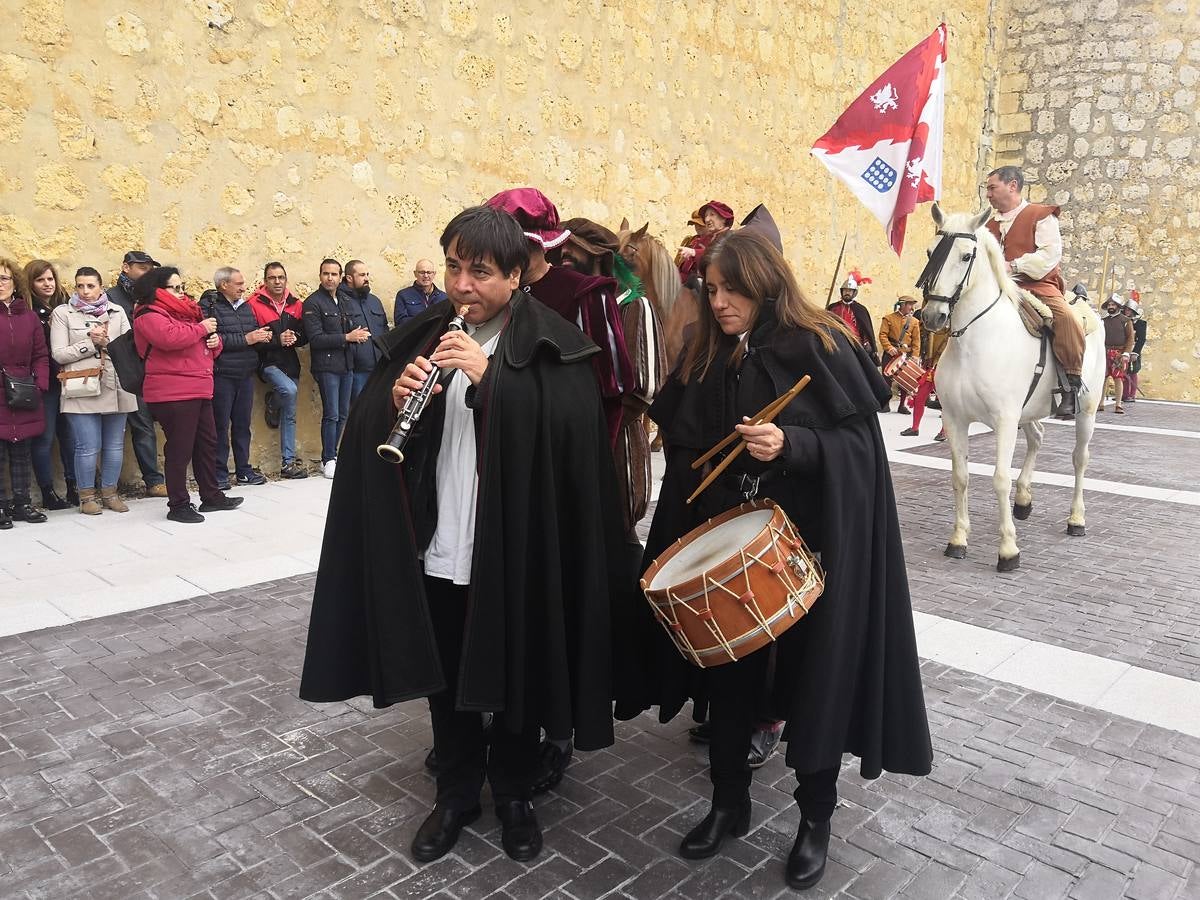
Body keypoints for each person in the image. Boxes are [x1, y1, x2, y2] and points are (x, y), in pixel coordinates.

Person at [298, 205, 628, 866]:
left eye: (479, 272)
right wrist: (394, 405)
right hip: (440, 539)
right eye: (453, 266)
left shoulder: (550, 342)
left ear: (514, 276)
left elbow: (572, 432)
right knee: (445, 678)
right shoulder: (428, 333)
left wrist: (493, 384)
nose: (462, 284)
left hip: (513, 545)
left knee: (514, 676)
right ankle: (454, 794)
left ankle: (512, 793)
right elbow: (369, 429)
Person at [636, 231, 932, 890]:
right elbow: (686, 452)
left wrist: (791, 443)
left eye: (731, 289)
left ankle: (815, 820)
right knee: (729, 690)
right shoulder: (709, 356)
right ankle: (728, 804)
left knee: (813, 685)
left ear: (765, 281)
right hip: (730, 558)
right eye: (710, 290)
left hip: (807, 557)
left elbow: (858, 450)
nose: (719, 303)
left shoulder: (818, 344)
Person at [486, 187, 634, 446]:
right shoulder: (491, 294)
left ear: (539, 243)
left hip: (561, 440)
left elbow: (613, 384)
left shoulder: (585, 293)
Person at [132, 267, 244, 523]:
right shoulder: (148, 314)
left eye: (182, 287)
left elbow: (203, 344)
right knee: (180, 449)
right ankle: (178, 504)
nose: (181, 293)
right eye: (175, 288)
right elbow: (170, 339)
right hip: (172, 391)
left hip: (199, 386)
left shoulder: (188, 313)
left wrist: (215, 344)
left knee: (207, 443)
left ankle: (211, 495)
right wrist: (202, 330)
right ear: (158, 290)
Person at [985, 166, 1086, 419]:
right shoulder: (988, 223)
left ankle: (1071, 386)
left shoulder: (1041, 215)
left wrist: (1014, 266)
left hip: (1036, 286)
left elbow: (1049, 255)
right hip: (996, 286)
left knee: (1066, 318)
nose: (988, 194)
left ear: (1012, 186)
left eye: (991, 187)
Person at [49, 267, 137, 515]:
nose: (85, 291)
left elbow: (128, 348)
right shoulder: (63, 313)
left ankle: (110, 493)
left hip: (115, 383)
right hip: (82, 386)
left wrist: (107, 342)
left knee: (114, 445)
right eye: (80, 286)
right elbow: (58, 354)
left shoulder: (117, 311)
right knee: (87, 446)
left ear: (101, 287)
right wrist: (89, 343)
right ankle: (86, 496)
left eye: (90, 286)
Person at [200, 267, 270, 490]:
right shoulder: (210, 307)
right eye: (239, 283)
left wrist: (262, 336)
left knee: (242, 425)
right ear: (224, 285)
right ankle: (219, 473)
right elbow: (212, 340)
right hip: (222, 375)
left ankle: (244, 470)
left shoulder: (246, 307)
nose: (243, 287)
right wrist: (247, 339)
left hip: (245, 374)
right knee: (220, 427)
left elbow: (249, 334)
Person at [105, 250, 168, 497]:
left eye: (150, 268)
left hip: (155, 368)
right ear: (125, 267)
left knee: (157, 425)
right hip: (126, 370)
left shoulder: (153, 296)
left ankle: (160, 478)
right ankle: (149, 480)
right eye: (142, 267)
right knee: (137, 426)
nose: (147, 272)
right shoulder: (110, 297)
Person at [303, 259, 364, 478]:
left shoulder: (345, 300)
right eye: (326, 274)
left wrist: (358, 335)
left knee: (343, 413)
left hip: (346, 363)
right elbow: (316, 339)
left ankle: (333, 455)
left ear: (340, 277)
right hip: (326, 366)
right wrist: (347, 337)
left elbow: (350, 328)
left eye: (334, 274)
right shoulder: (313, 303)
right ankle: (328, 458)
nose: (330, 278)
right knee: (332, 414)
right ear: (320, 276)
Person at [0, 257, 49, 528]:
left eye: (5, 278)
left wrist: (39, 381)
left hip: (24, 390)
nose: (1, 284)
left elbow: (41, 354)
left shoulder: (29, 317)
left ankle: (22, 503)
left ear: (15, 283)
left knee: (21, 450)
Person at [247, 265, 308, 479]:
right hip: (267, 363)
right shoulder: (253, 304)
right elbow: (252, 340)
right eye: (272, 278)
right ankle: (273, 402)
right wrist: (277, 340)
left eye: (281, 277)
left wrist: (295, 338)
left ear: (286, 279)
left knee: (290, 416)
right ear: (265, 280)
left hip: (291, 363)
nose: (277, 282)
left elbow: (305, 334)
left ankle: (288, 464)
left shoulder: (296, 304)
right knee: (289, 390)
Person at [24, 260, 76, 509]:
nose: (47, 284)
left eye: (50, 279)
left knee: (70, 436)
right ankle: (48, 493)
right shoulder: (28, 312)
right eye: (40, 279)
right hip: (46, 384)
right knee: (44, 439)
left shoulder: (63, 308)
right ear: (30, 283)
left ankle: (75, 487)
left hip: (69, 381)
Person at [337, 260, 389, 400]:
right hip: (355, 370)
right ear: (349, 278)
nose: (366, 278)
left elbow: (385, 329)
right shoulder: (340, 301)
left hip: (379, 368)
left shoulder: (374, 301)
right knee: (355, 413)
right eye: (361, 275)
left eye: (367, 274)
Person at [901, 316, 948, 440]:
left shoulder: (951, 328)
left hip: (944, 368)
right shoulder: (924, 327)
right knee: (919, 398)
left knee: (945, 403)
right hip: (928, 367)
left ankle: (945, 431)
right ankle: (915, 428)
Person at [878, 295, 922, 412]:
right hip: (891, 353)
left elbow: (916, 340)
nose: (911, 307)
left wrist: (915, 355)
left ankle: (902, 405)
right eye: (909, 304)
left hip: (906, 353)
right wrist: (888, 347)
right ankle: (885, 404)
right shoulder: (888, 318)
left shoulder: (915, 322)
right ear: (902, 305)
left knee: (905, 380)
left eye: (912, 304)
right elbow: (883, 335)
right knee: (886, 379)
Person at [676, 201, 734, 285]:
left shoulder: (731, 237)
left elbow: (718, 254)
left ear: (723, 218)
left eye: (712, 215)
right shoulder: (704, 239)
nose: (707, 219)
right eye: (706, 216)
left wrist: (694, 252)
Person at [1099, 293, 1134, 414]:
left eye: (1113, 304)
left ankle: (1118, 404)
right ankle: (1100, 402)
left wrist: (1126, 353)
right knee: (1102, 378)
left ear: (1118, 306)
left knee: (1118, 378)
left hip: (1119, 354)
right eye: (1109, 304)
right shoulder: (1102, 321)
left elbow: (1130, 339)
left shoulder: (1126, 321)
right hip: (1104, 352)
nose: (1110, 306)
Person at [1123, 292, 1147, 403]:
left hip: (1133, 350)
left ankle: (1131, 395)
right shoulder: (1123, 322)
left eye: (1129, 310)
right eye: (1126, 309)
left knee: (1132, 372)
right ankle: (1124, 394)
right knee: (1123, 371)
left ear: (1133, 311)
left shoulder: (1140, 323)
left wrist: (1135, 353)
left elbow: (1141, 339)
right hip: (1124, 349)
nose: (1126, 312)